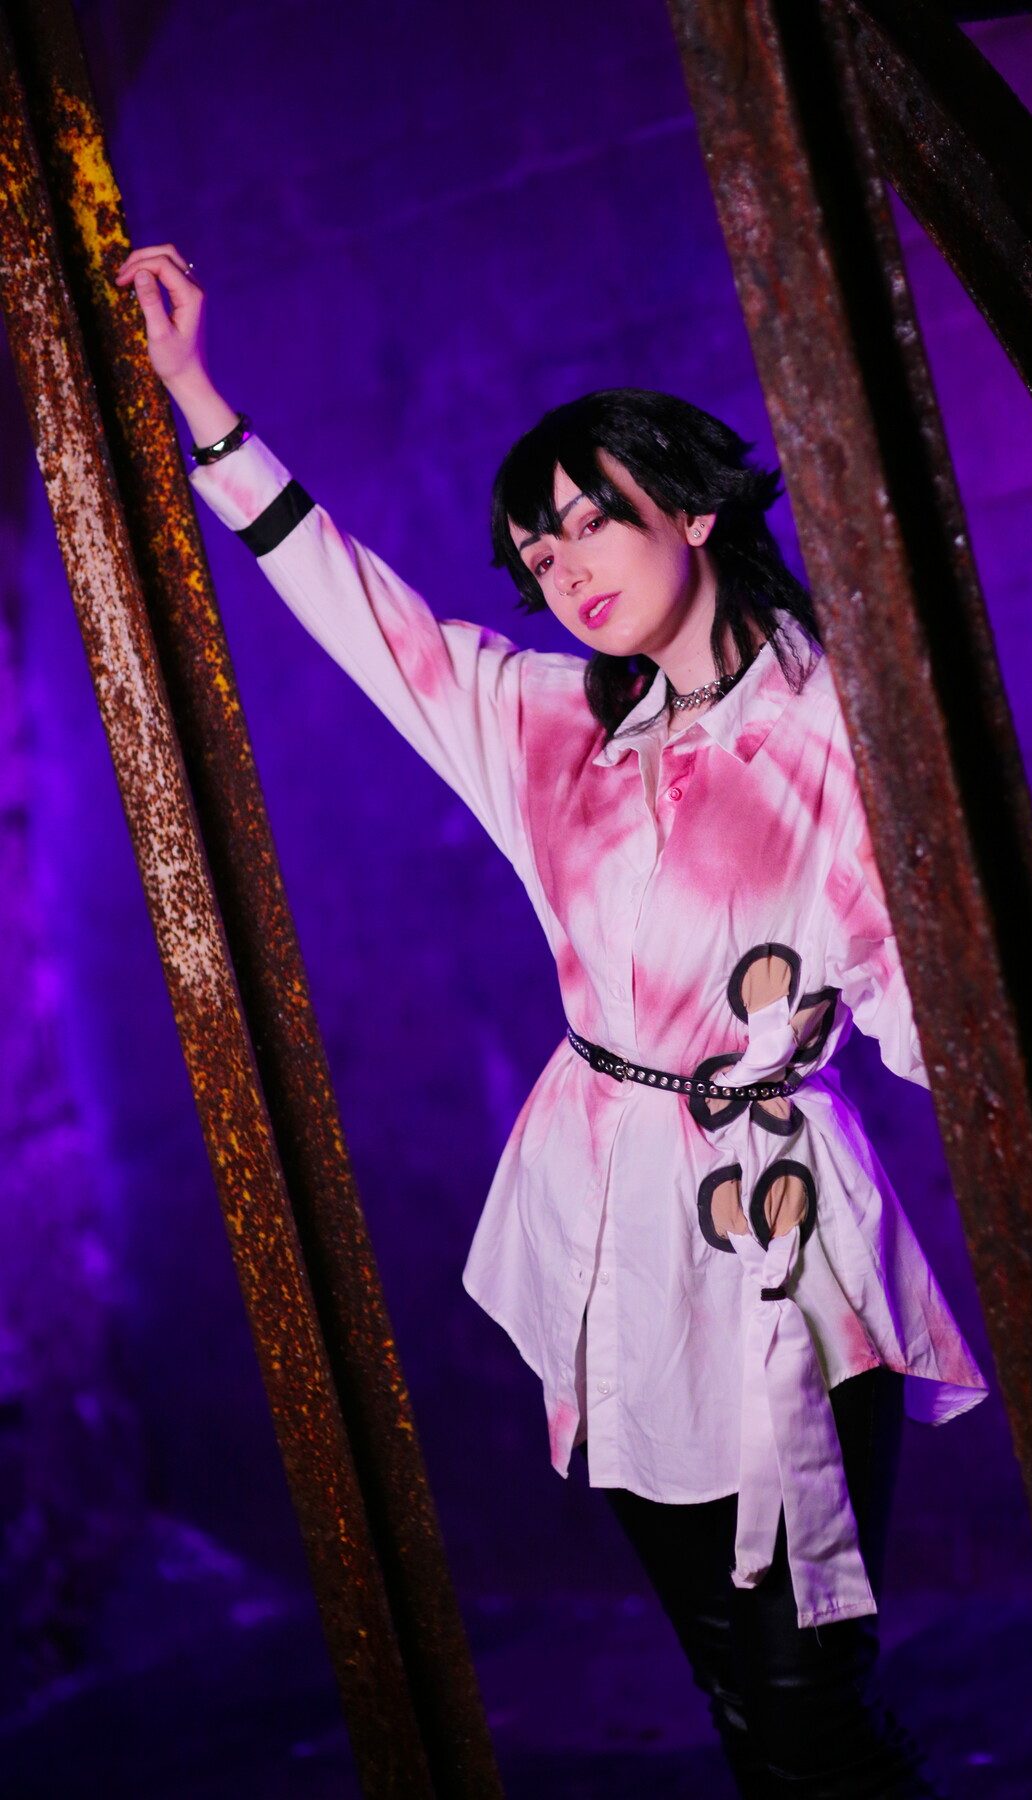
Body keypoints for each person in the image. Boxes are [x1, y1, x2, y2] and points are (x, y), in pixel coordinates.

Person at [116, 243, 986, 1798]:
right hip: (603, 1230)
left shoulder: (836, 720)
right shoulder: (549, 727)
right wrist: (198, 396)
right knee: (734, 1689)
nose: (568, 565)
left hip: (775, 1228)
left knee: (806, 1681)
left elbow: (924, 990)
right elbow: (373, 622)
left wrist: (988, 1086)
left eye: (596, 519)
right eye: (539, 544)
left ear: (693, 510)